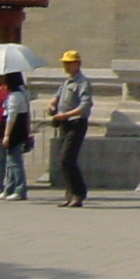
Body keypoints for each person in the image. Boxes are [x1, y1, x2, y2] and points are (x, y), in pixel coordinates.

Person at [48, 51, 94, 207]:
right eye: (65, 63)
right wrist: (52, 105)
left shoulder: (83, 82)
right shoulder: (67, 82)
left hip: (76, 123)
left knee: (67, 158)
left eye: (69, 63)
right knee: (63, 161)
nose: (66, 66)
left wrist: (65, 115)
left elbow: (85, 106)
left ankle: (79, 194)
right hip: (64, 124)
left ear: (78, 64)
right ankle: (70, 194)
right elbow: (56, 97)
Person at [0, 72, 32, 201]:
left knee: (15, 162)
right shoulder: (20, 94)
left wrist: (6, 135)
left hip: (15, 132)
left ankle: (20, 189)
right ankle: (10, 188)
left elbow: (11, 117)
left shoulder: (16, 96)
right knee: (10, 162)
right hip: (15, 131)